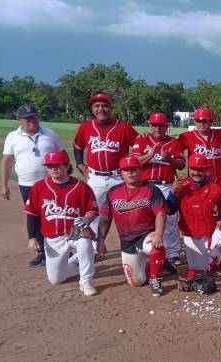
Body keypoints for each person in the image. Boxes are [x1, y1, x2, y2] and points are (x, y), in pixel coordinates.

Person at [23, 151, 98, 295]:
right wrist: (32, 237)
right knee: (56, 279)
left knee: (85, 241)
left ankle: (86, 281)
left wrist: (87, 219)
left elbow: (92, 210)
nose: (54, 169)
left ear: (67, 166)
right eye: (50, 166)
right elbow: (32, 215)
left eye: (58, 165)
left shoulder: (82, 187)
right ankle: (76, 260)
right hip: (53, 237)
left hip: (75, 231)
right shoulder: (39, 187)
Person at [1, 104, 65, 268]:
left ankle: (65, 250)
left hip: (52, 185)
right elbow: (7, 160)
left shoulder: (50, 134)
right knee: (35, 218)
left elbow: (64, 157)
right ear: (19, 120)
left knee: (56, 216)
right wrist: (4, 184)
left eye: (35, 117)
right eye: (28, 118)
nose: (32, 121)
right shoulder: (13, 137)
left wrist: (66, 178)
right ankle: (43, 253)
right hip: (27, 185)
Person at [96, 156, 169, 297]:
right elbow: (105, 219)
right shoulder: (112, 192)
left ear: (140, 170)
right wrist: (100, 240)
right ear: (121, 173)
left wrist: (159, 233)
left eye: (133, 169)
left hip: (146, 235)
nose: (130, 173)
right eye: (126, 170)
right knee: (137, 282)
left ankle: (155, 278)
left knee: (157, 248)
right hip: (127, 241)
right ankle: (160, 263)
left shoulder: (151, 189)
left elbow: (160, 213)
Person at [73, 93, 138, 248]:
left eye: (104, 106)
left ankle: (131, 245)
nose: (101, 109)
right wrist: (80, 164)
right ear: (92, 108)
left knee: (124, 213)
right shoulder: (86, 127)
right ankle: (90, 247)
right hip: (95, 177)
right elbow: (77, 146)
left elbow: (139, 146)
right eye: (97, 106)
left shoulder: (123, 127)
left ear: (111, 108)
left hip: (118, 178)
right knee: (92, 212)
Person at [176, 154, 221, 295]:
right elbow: (168, 210)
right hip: (191, 235)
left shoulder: (216, 187)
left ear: (207, 170)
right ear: (189, 169)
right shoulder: (181, 187)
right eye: (193, 169)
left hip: (212, 232)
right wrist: (172, 192)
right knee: (198, 271)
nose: (196, 173)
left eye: (200, 169)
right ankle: (214, 260)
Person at [130, 112, 184, 268]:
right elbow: (134, 161)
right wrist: (151, 153)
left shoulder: (174, 143)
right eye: (154, 124)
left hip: (166, 185)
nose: (157, 128)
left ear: (166, 126)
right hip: (145, 185)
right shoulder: (142, 139)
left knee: (171, 219)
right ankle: (145, 250)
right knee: (144, 219)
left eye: (161, 125)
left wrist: (169, 159)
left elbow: (181, 165)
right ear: (150, 125)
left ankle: (173, 253)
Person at [178, 107, 221, 185]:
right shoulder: (187, 136)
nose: (201, 123)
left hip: (217, 182)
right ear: (195, 121)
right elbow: (173, 146)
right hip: (197, 183)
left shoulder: (220, 134)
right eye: (198, 120)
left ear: (210, 121)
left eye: (204, 120)